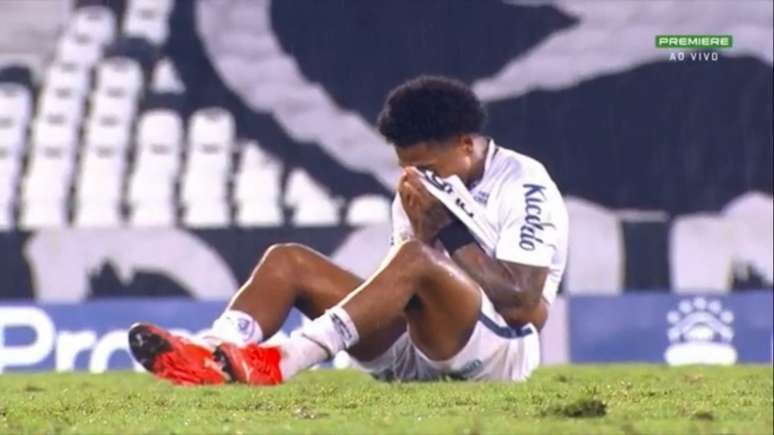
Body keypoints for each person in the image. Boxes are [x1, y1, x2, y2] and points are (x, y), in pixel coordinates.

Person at [128, 75, 568, 385]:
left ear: (466, 145)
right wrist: (423, 243)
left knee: (414, 258)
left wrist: (447, 232)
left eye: (426, 166)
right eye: (407, 166)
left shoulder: (524, 183)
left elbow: (525, 309)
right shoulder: (419, 189)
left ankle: (283, 361)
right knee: (288, 261)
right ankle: (214, 353)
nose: (415, 177)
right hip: (419, 348)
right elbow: (411, 292)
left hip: (497, 357)